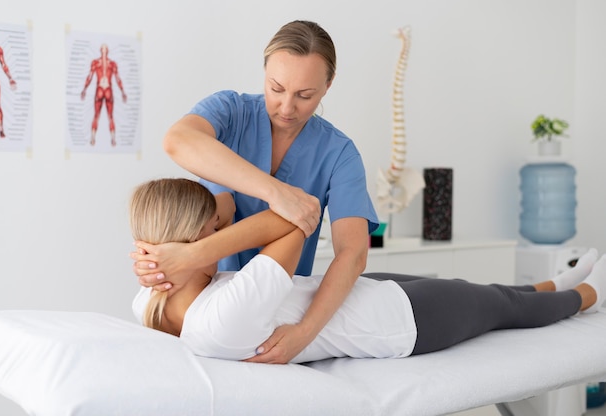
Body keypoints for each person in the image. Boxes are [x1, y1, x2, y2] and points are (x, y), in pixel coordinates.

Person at [130, 178, 606, 364]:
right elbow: (298, 216)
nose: (227, 228)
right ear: (195, 243)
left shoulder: (150, 302)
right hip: (398, 323)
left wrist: (188, 252)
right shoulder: (223, 315)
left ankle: (553, 282)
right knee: (501, 306)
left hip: (351, 293)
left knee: (487, 292)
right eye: (217, 228)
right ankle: (588, 292)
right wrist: (195, 253)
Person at [131, 20, 378, 364]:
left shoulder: (338, 154)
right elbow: (177, 141)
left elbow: (353, 254)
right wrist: (277, 193)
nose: (287, 107)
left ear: (328, 86)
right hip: (208, 303)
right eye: (276, 88)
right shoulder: (230, 114)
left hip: (277, 306)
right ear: (264, 72)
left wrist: (304, 334)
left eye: (305, 96)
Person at [81, 43, 127, 147]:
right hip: (107, 90)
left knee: (98, 116)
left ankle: (94, 139)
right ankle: (112, 140)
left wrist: (84, 89)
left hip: (101, 89)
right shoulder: (110, 64)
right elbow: (117, 78)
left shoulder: (97, 63)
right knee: (109, 117)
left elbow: (90, 76)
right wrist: (122, 91)